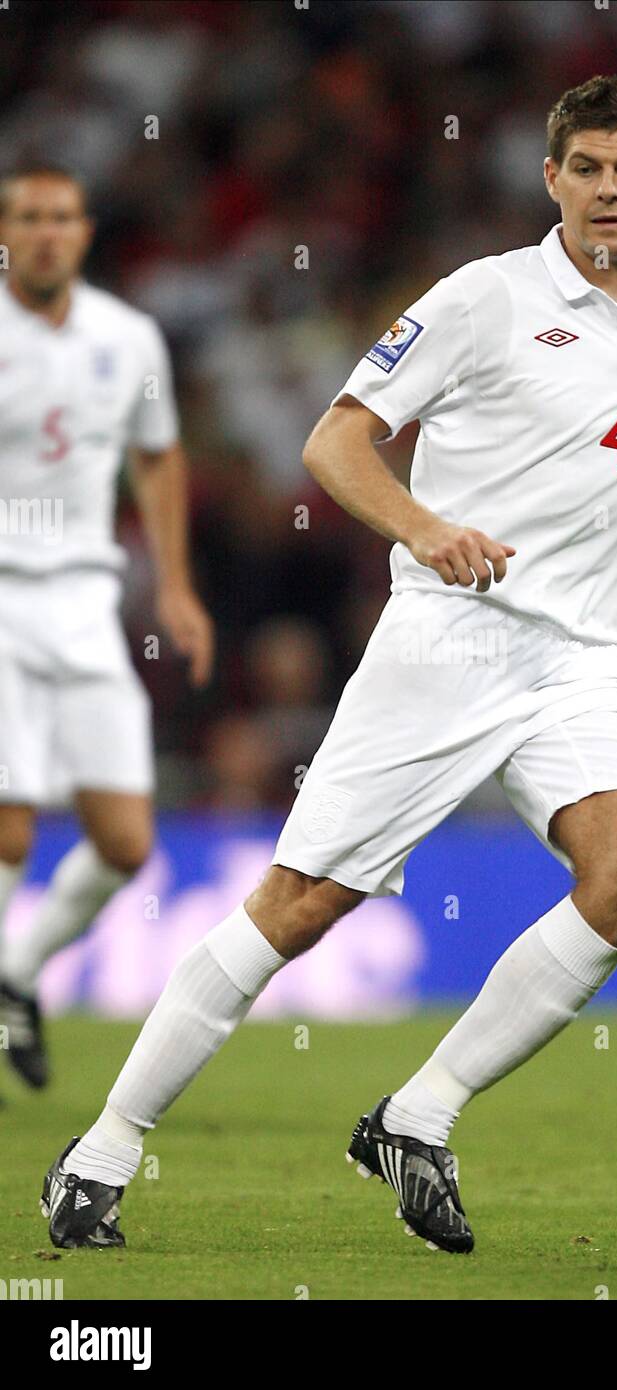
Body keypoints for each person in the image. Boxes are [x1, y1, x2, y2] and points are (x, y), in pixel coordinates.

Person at [42, 76, 617, 1255]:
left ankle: (417, 1115)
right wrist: (423, 527)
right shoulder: (486, 298)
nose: (609, 191)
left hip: (577, 661)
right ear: (553, 180)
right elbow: (336, 440)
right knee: (301, 905)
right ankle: (101, 1150)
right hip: (449, 642)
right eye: (588, 170)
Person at [0, 165, 213, 1090]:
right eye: (28, 218)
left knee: (126, 840)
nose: (46, 233)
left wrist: (174, 585)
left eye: (62, 217)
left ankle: (14, 973)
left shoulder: (128, 338)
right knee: (8, 824)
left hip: (84, 601)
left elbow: (158, 458)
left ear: (84, 232)